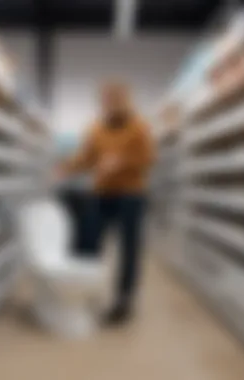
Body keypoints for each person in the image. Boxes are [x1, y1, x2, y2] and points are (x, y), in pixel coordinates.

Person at [57, 81, 155, 325]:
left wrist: (121, 162)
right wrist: (66, 167)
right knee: (90, 241)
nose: (110, 105)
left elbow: (149, 158)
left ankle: (124, 300)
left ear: (126, 101)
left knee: (129, 249)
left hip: (131, 195)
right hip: (102, 193)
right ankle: (89, 291)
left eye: (115, 100)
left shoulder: (139, 127)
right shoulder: (96, 129)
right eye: (106, 101)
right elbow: (87, 157)